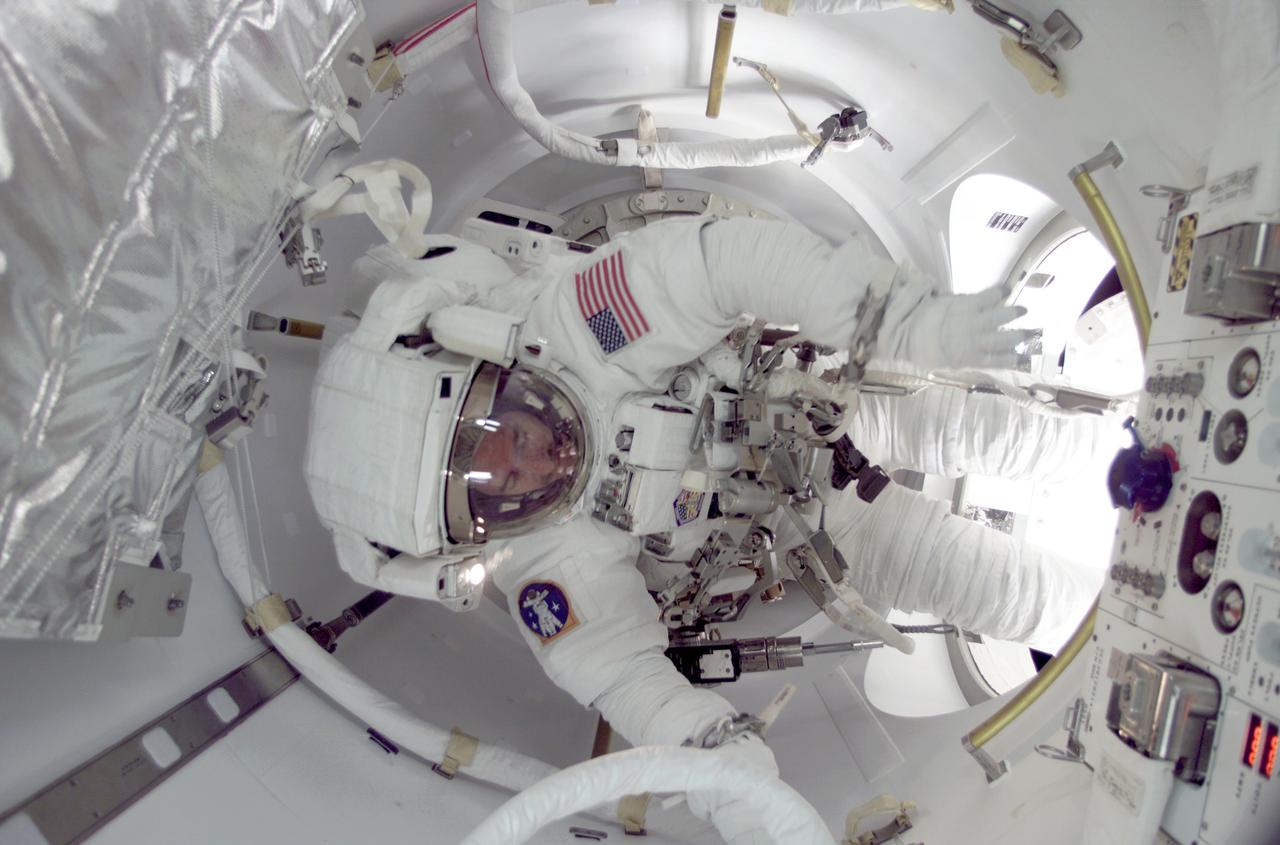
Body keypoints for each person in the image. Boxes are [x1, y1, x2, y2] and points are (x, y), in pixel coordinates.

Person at [303, 215, 1100, 842]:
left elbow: (722, 264)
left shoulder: (577, 327)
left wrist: (891, 323)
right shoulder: (545, 569)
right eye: (497, 489)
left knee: (1050, 444)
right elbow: (627, 682)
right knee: (1017, 595)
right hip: (812, 531)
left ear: (489, 363)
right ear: (471, 538)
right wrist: (732, 774)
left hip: (827, 395)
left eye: (503, 427)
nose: (532, 459)